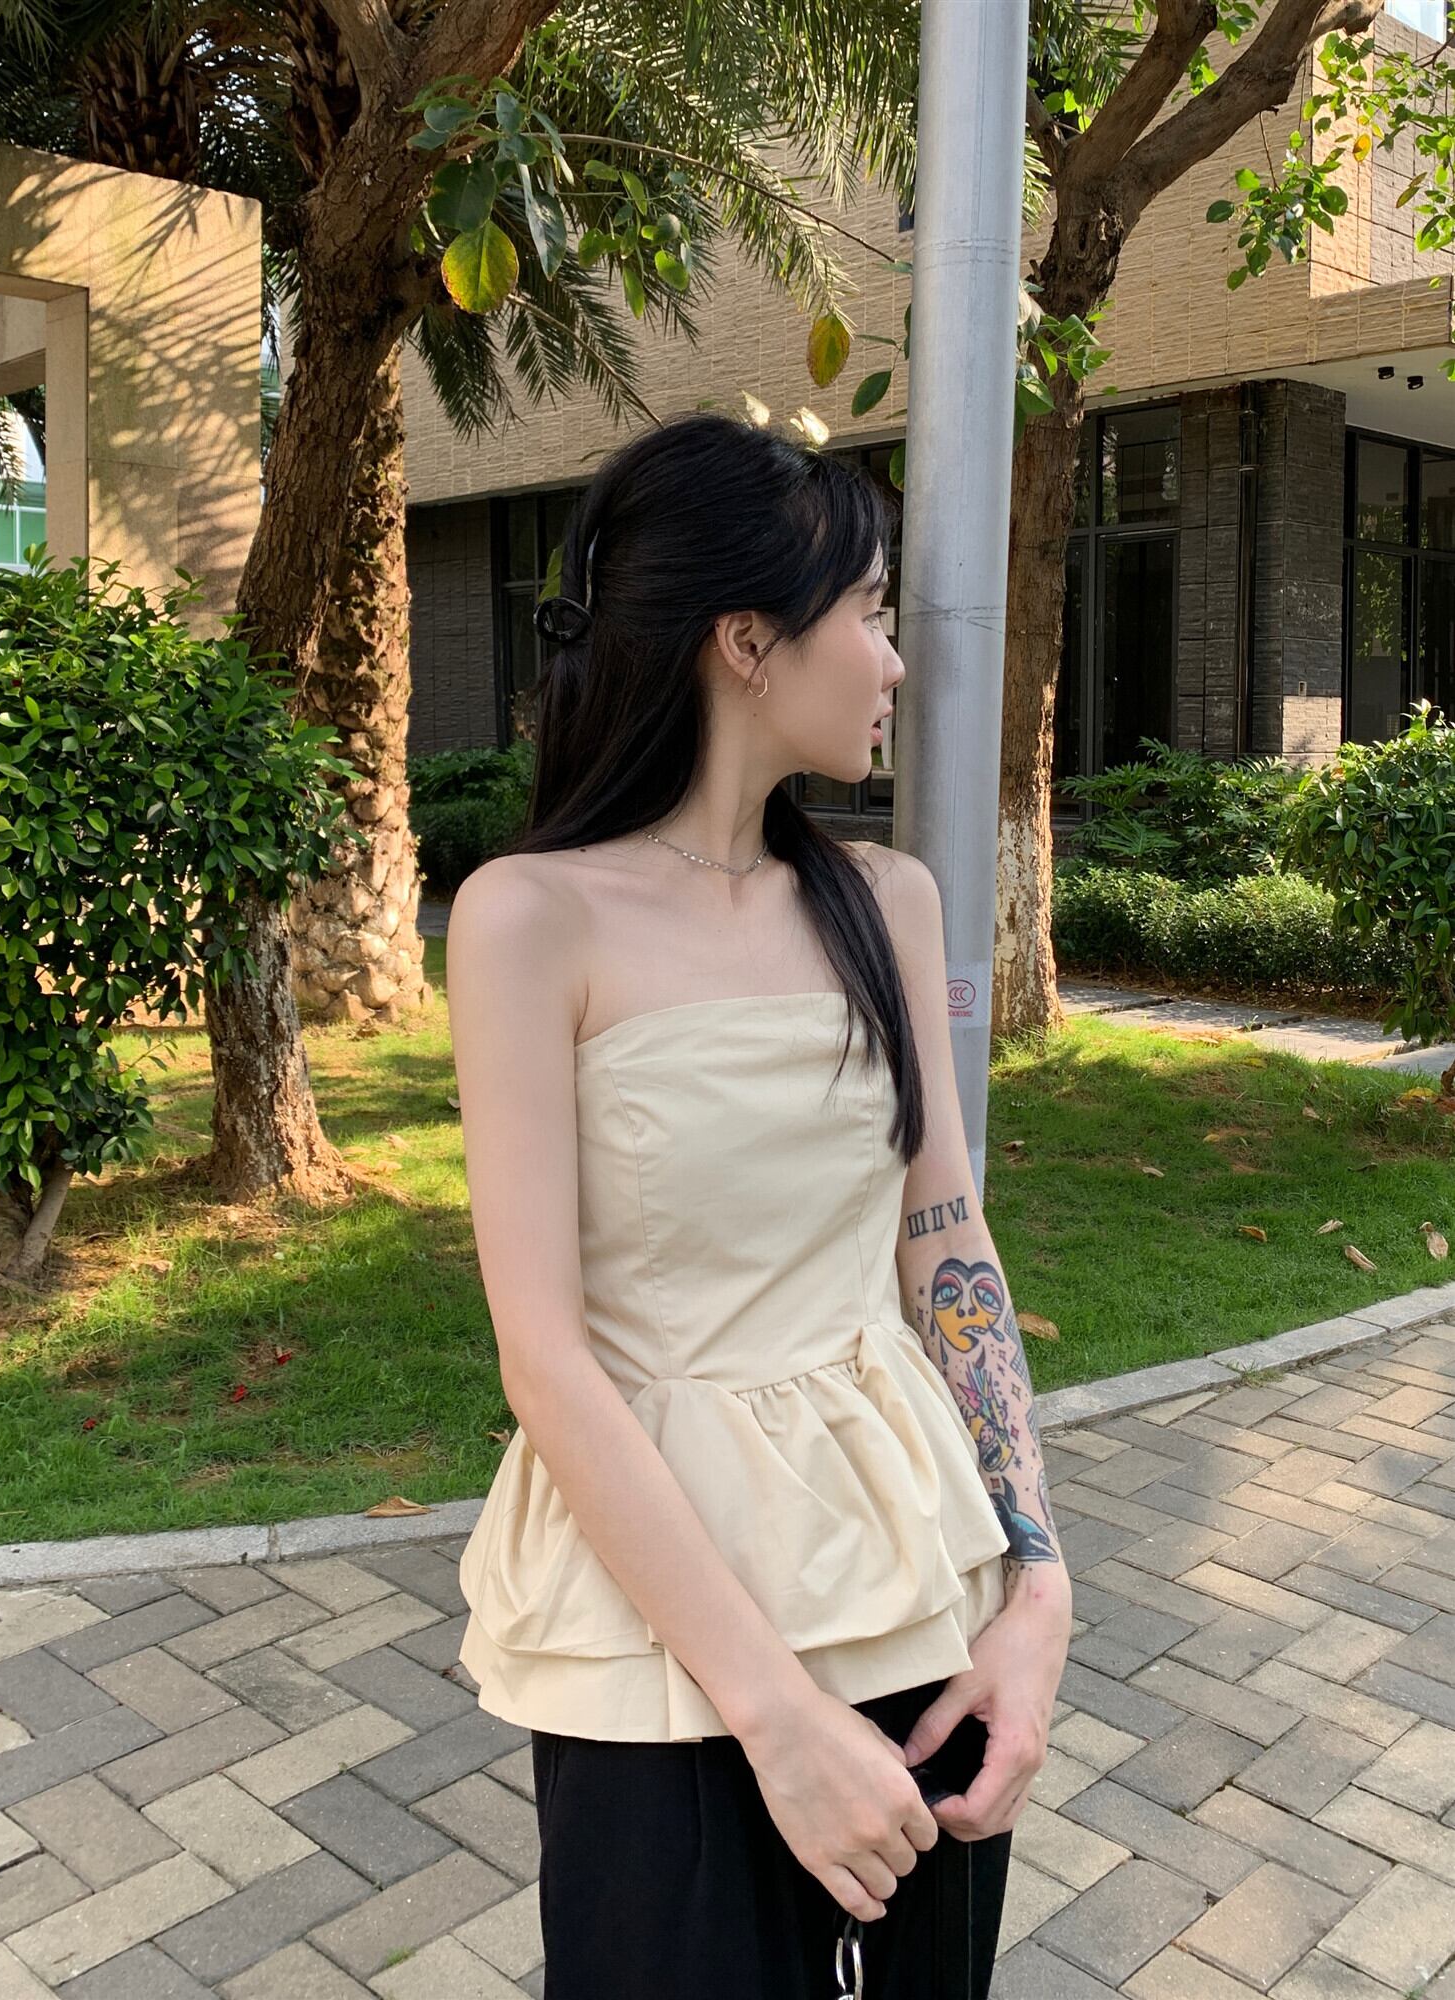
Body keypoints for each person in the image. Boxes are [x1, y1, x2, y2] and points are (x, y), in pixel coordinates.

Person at [444, 410, 1072, 1999]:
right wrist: (777, 1719)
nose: (895, 661)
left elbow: (947, 1246)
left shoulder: (885, 901)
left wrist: (1039, 1585)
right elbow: (546, 1359)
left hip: (921, 1578)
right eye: (869, 612)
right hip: (660, 1634)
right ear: (745, 642)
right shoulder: (530, 920)